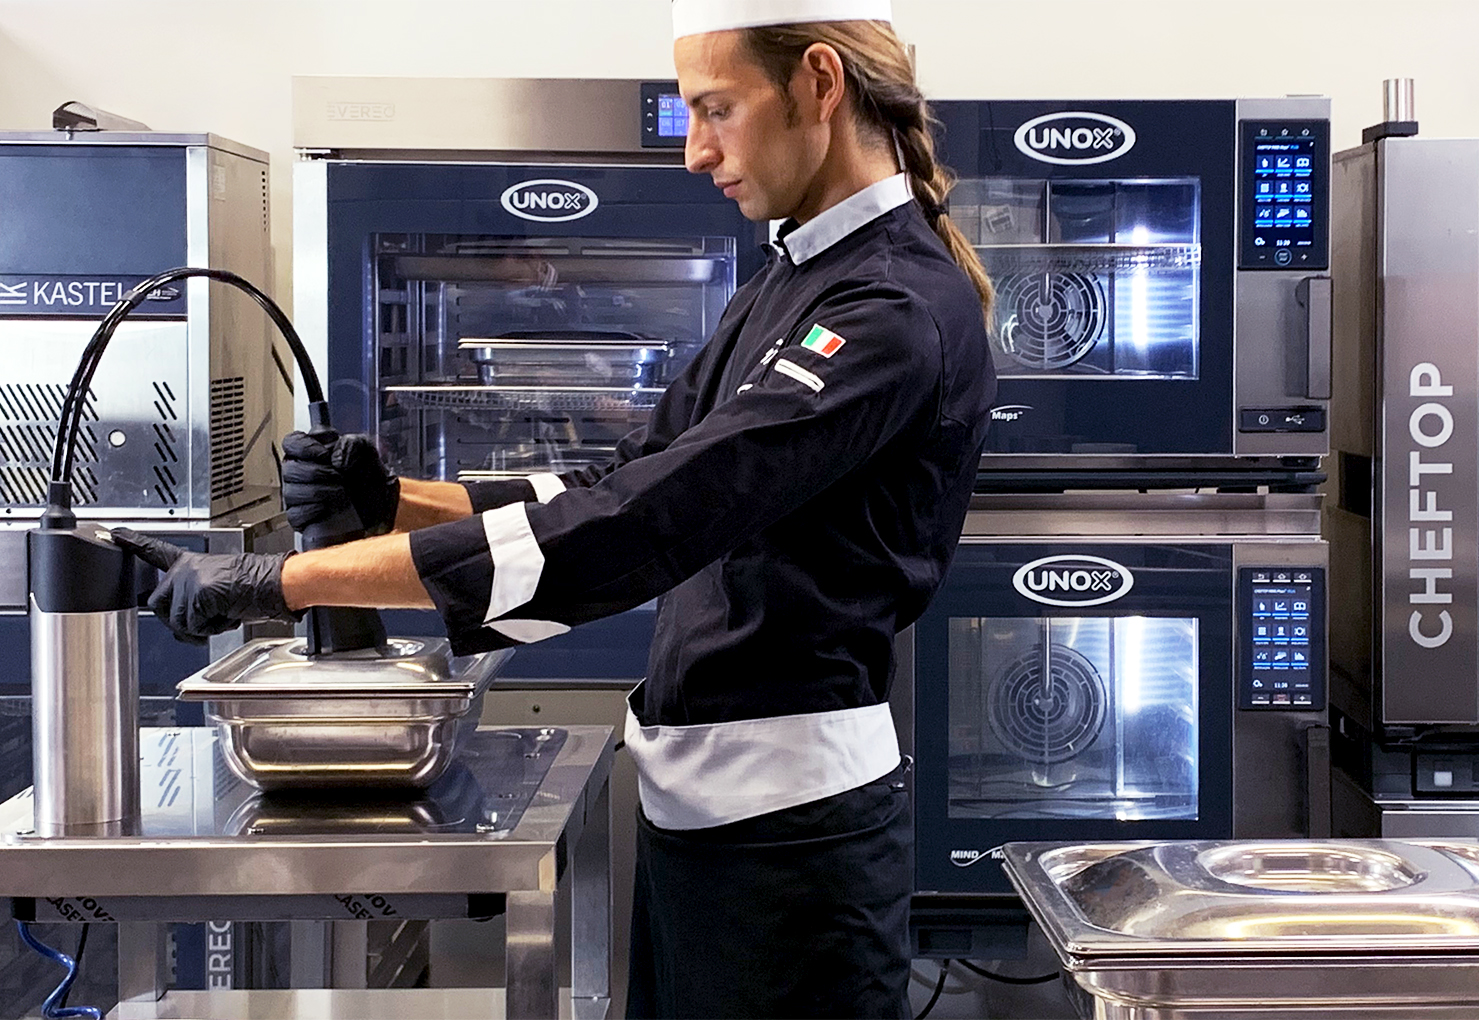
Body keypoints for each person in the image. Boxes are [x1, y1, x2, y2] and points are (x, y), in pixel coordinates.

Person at [112, 2, 996, 1015]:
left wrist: (277, 583)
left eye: (717, 109)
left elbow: (649, 521)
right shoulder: (788, 281)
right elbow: (620, 478)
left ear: (822, 85)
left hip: (796, 843)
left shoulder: (885, 310)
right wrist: (392, 501)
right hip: (708, 817)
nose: (696, 151)